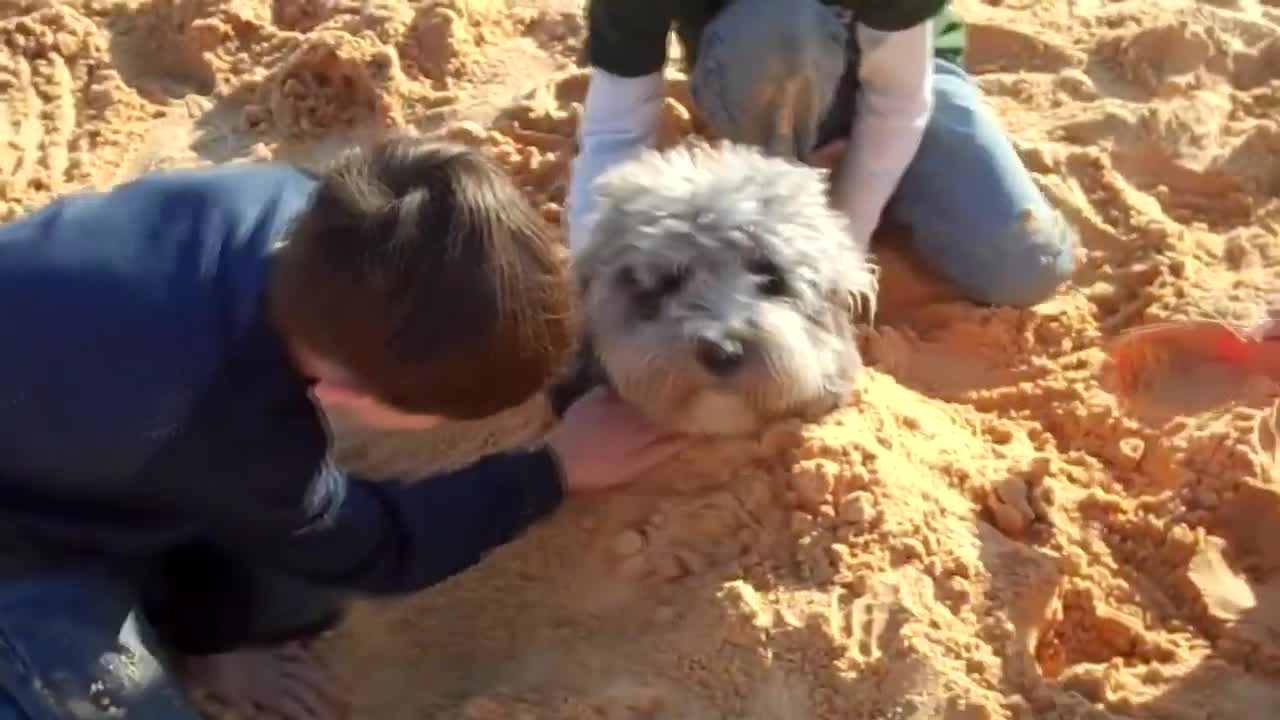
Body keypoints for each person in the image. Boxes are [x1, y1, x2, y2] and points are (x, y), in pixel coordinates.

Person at [0, 136, 685, 720]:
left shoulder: (320, 213)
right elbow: (374, 548)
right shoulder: (226, 423)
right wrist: (553, 469)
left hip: (78, 409)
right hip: (23, 530)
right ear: (335, 390)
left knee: (287, 590)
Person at [567, 0, 1078, 308]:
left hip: (906, 75)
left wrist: (843, 247)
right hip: (762, 73)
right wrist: (594, 277)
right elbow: (616, 126)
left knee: (1028, 266)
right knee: (782, 34)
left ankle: (843, 188)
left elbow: (898, 99)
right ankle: (791, 170)